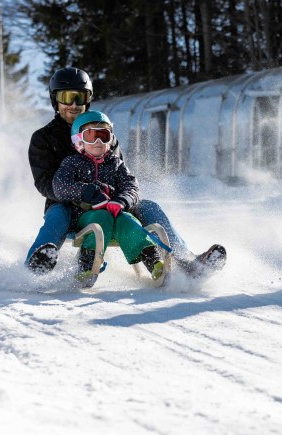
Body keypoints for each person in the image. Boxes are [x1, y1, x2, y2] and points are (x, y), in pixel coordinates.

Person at [25, 67, 226, 277]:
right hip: (67, 206)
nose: (74, 104)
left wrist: (121, 199)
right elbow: (45, 183)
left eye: (80, 97)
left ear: (88, 99)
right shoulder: (43, 138)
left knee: (149, 206)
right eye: (67, 97)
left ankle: (185, 262)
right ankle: (39, 263)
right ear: (55, 99)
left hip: (108, 205)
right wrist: (81, 193)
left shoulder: (104, 135)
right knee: (58, 214)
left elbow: (120, 174)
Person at [53, 111, 163, 284]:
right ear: (79, 140)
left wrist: (121, 201)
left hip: (116, 213)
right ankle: (86, 265)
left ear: (110, 140)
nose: (98, 142)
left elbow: (131, 186)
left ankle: (154, 262)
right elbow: (60, 186)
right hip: (85, 215)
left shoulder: (116, 164)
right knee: (101, 218)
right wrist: (88, 192)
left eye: (103, 136)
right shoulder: (72, 163)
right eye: (91, 136)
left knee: (129, 220)